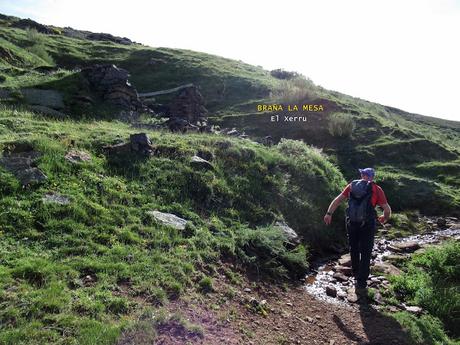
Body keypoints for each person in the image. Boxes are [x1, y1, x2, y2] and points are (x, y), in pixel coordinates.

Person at [323, 168, 391, 290]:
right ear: (372, 177)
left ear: (362, 175)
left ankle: (356, 274)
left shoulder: (351, 186)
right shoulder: (376, 188)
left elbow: (337, 201)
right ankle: (362, 281)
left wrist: (329, 213)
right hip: (368, 224)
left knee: (354, 249)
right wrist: (384, 218)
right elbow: (387, 209)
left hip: (352, 223)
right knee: (366, 251)